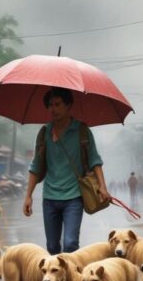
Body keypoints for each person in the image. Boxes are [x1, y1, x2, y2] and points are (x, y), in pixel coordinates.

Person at [23, 87, 110, 255]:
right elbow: (36, 166)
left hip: (74, 198)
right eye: (50, 105)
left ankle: (72, 280)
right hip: (49, 198)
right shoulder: (44, 133)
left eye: (57, 104)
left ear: (68, 105)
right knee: (52, 247)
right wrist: (28, 196)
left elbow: (95, 161)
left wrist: (103, 187)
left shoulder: (82, 131)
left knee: (70, 244)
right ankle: (58, 280)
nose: (53, 109)